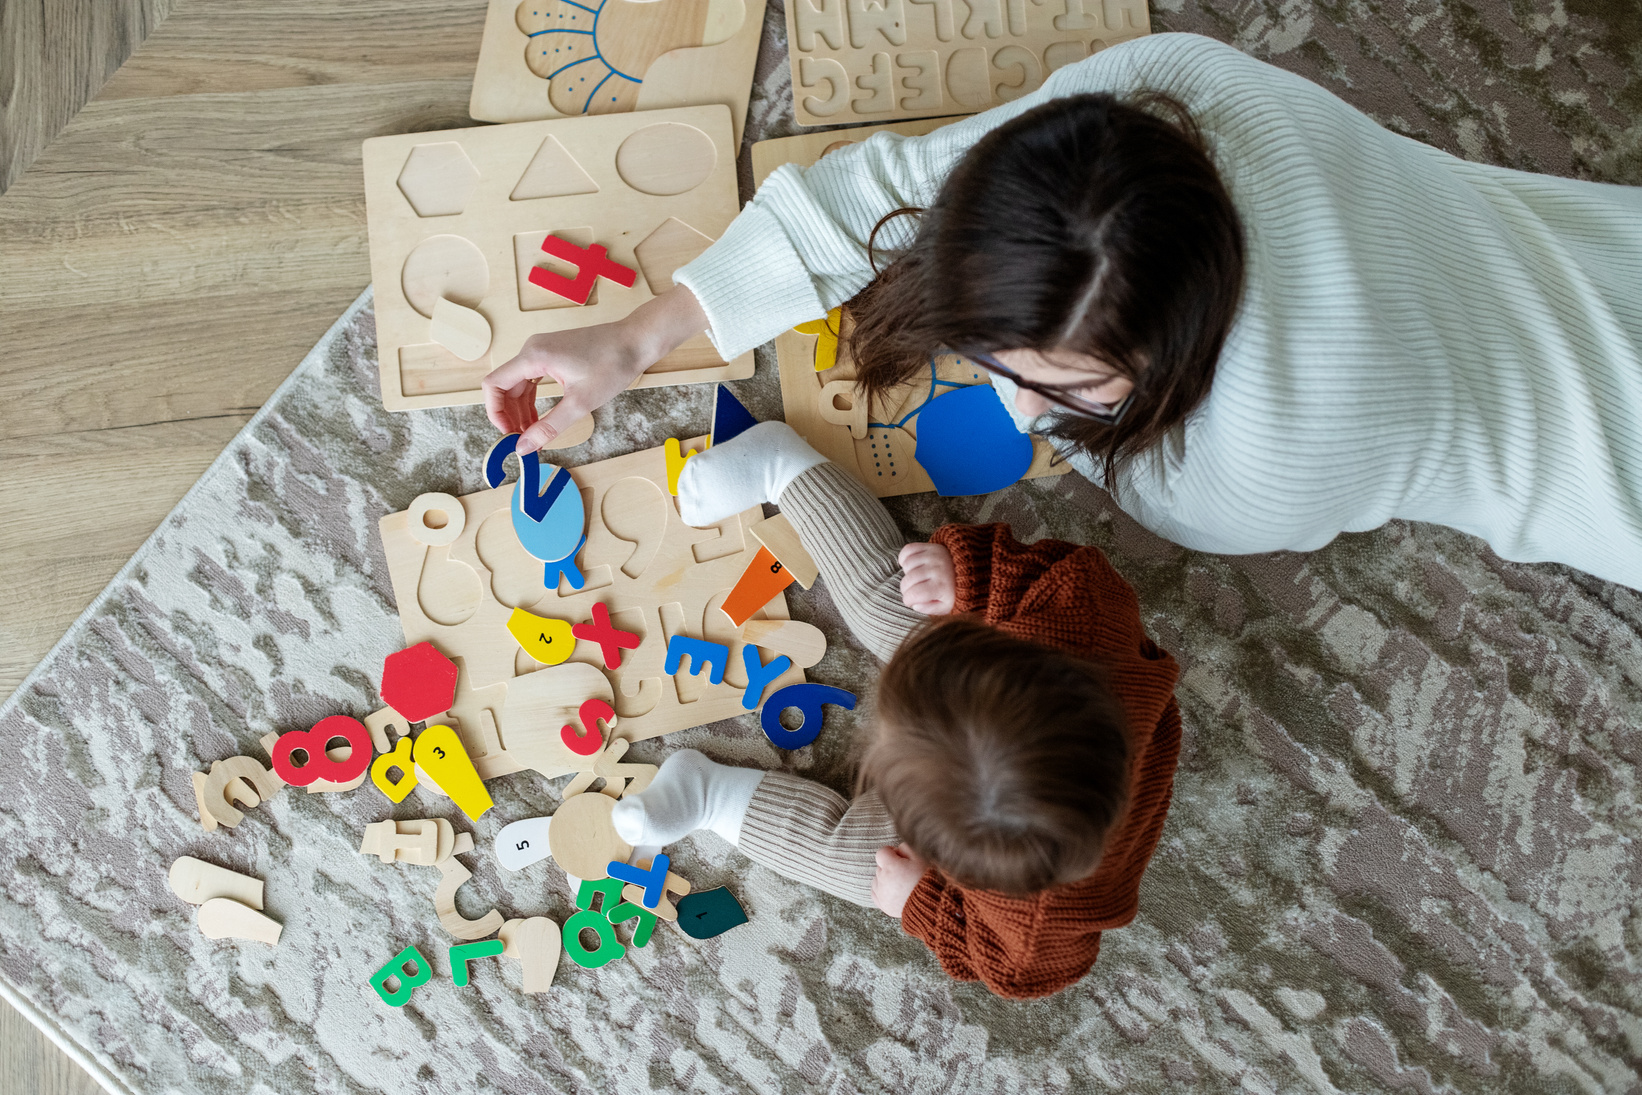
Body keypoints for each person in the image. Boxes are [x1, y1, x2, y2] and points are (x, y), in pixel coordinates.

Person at [484, 33, 1642, 589]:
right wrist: (639, 334)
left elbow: (1176, 495)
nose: (1004, 398)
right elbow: (892, 188)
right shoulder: (1173, 88)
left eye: (1067, 388)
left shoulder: (1269, 458)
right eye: (991, 350)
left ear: (1172, 365)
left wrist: (1056, 433)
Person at [605, 420, 1182, 998]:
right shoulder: (1080, 623)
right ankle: (782, 468)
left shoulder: (1036, 926)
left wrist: (921, 902)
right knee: (889, 598)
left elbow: (1017, 973)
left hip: (970, 849)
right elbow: (1065, 569)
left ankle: (708, 795)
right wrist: (967, 579)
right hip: (1011, 716)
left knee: (857, 862)